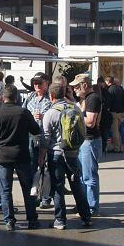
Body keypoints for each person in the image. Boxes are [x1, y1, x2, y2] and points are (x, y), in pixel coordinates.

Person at [0, 84, 44, 231]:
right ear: (16, 97)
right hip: (22, 155)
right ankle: (32, 219)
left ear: (3, 97)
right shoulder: (23, 113)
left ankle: (9, 220)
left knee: (6, 190)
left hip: (3, 156)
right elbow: (35, 130)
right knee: (27, 188)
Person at [42, 81, 93, 230]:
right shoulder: (75, 108)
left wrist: (41, 157)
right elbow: (83, 131)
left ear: (51, 96)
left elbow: (46, 137)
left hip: (56, 154)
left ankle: (60, 220)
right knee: (76, 184)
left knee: (58, 186)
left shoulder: (50, 113)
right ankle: (86, 217)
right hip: (73, 153)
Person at [71, 74, 102, 216]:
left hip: (90, 140)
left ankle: (91, 208)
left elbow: (90, 121)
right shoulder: (85, 99)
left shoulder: (93, 98)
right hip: (85, 140)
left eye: (77, 86)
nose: (74, 89)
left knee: (89, 176)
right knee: (83, 176)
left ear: (84, 85)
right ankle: (85, 206)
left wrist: (75, 116)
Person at [22, 73, 54, 208]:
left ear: (46, 83)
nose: (36, 85)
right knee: (32, 168)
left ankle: (46, 198)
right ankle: (34, 196)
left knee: (46, 169)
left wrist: (44, 116)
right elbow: (22, 112)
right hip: (31, 137)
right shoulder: (30, 97)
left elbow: (55, 117)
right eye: (35, 82)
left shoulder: (50, 98)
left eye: (39, 83)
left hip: (45, 137)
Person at [103, 75, 124, 153]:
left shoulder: (110, 90)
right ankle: (120, 147)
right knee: (118, 130)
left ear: (107, 81)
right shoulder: (120, 89)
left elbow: (108, 102)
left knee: (115, 131)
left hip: (113, 112)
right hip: (121, 112)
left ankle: (117, 148)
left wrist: (107, 109)